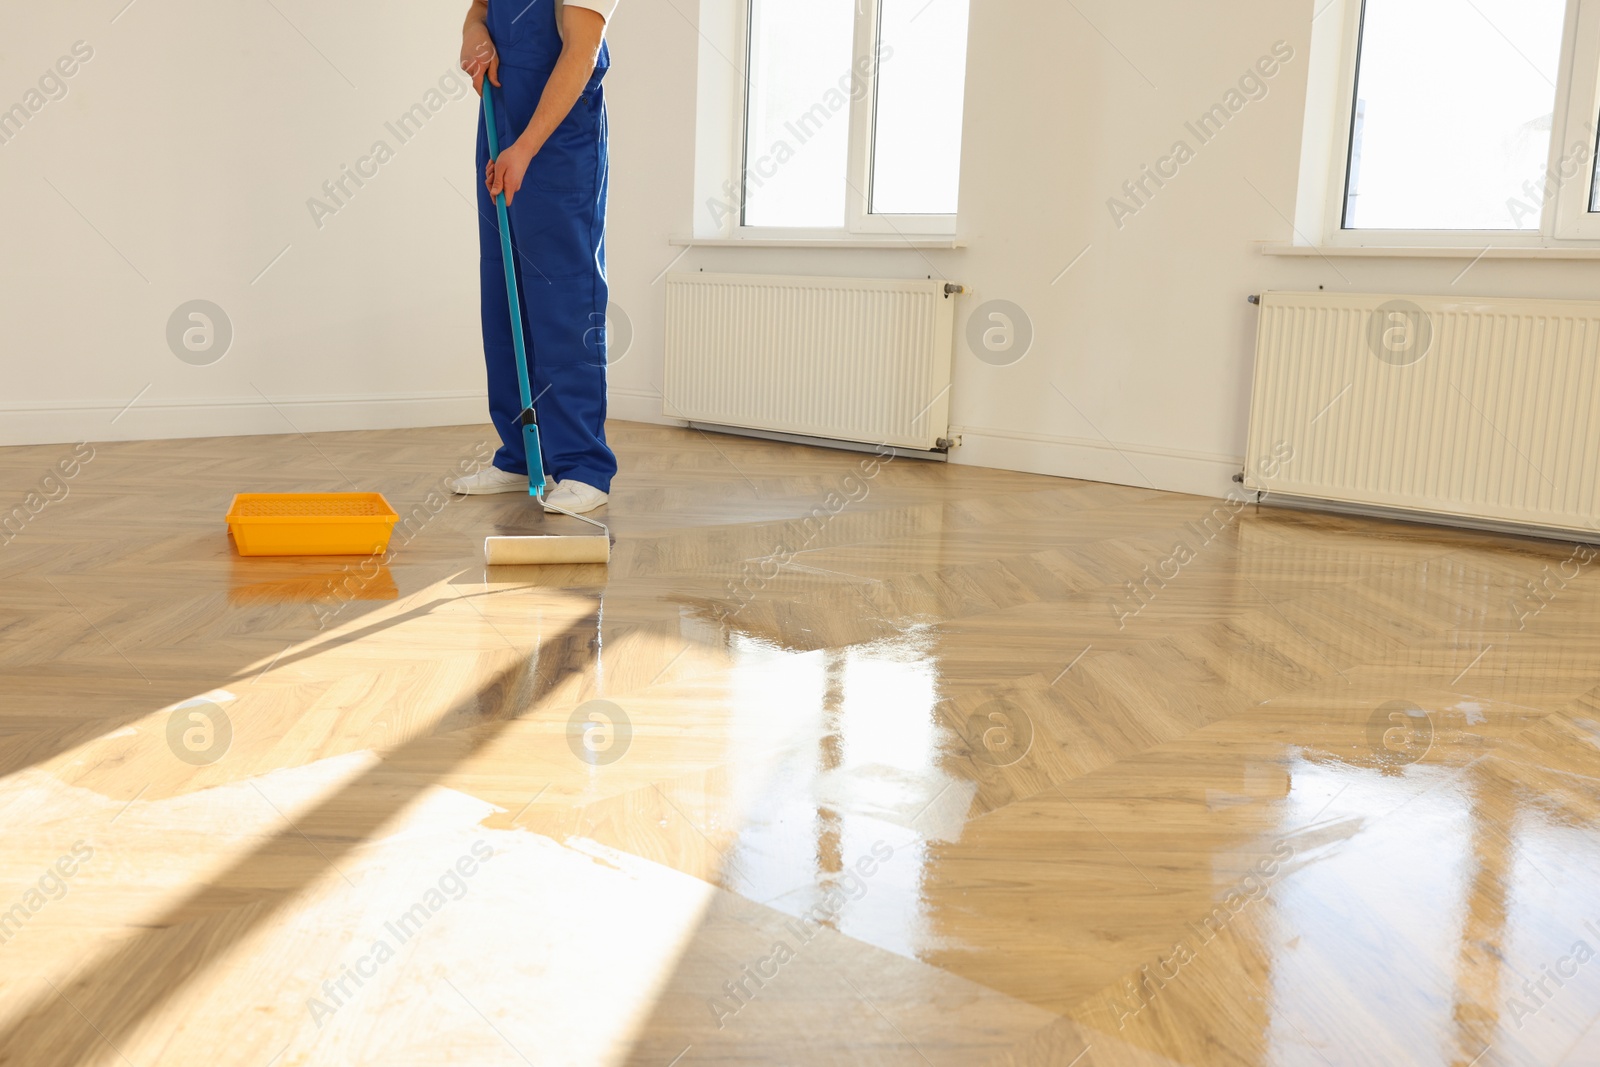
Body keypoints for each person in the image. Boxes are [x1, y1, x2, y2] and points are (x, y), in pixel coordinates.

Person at [448, 0, 618, 514]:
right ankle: (522, 455)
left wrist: (526, 148)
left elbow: (580, 50)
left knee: (562, 297)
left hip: (557, 139)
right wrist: (472, 35)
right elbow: (478, 10)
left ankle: (583, 466)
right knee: (503, 293)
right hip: (500, 122)